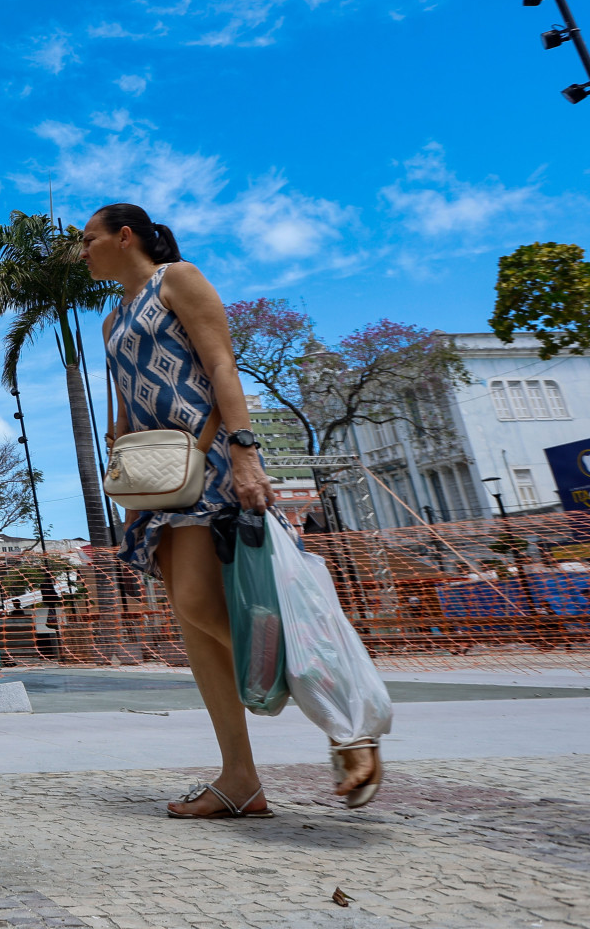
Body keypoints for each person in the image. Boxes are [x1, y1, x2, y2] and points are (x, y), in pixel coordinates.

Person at [83, 201, 381, 817]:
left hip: (208, 459)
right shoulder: (111, 321)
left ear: (125, 236)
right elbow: (124, 403)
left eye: (89, 239)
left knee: (198, 602)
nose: (81, 251)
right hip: (157, 477)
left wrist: (245, 452)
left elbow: (220, 363)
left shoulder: (178, 280)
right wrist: (118, 447)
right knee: (195, 625)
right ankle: (240, 778)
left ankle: (343, 720)